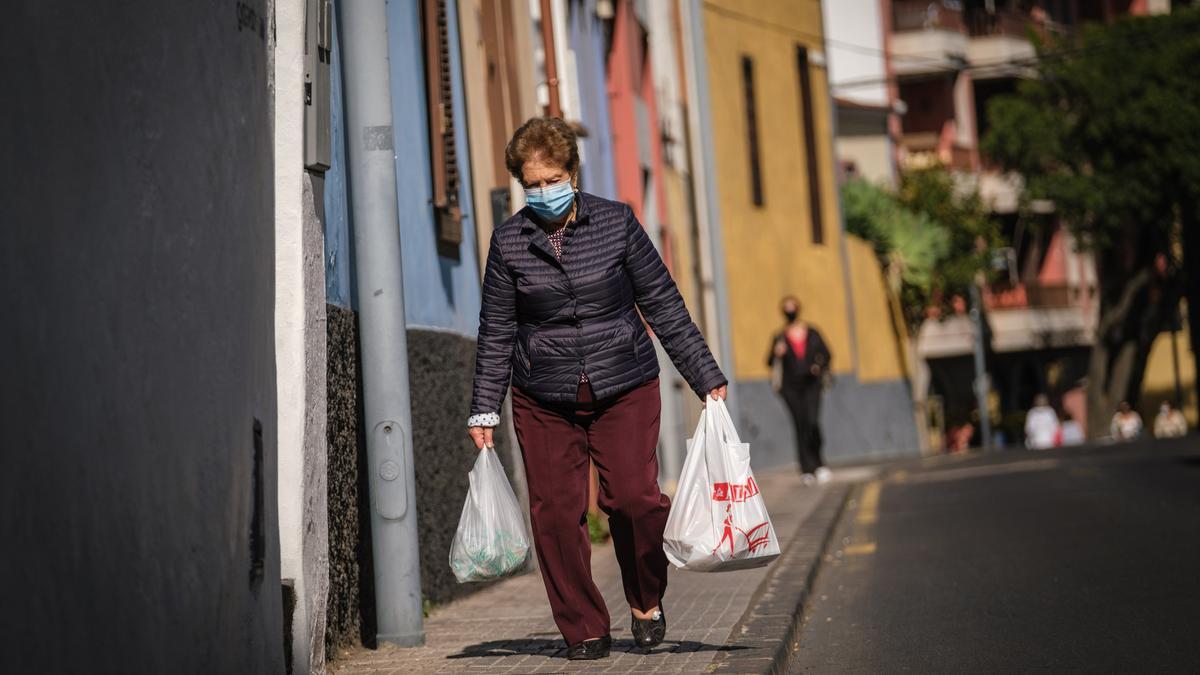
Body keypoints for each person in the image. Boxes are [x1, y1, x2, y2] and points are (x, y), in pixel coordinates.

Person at [466, 117, 727, 661]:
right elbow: (496, 329)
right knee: (556, 514)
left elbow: (663, 303)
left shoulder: (617, 223)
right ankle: (583, 626)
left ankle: (645, 600)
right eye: (531, 183)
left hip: (624, 382)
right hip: (543, 394)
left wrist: (705, 377)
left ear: (573, 172)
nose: (542, 192)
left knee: (634, 499)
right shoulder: (510, 242)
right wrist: (483, 409)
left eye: (552, 178)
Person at [767, 297, 831, 485]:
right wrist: (776, 353)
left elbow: (827, 354)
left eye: (792, 307)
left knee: (812, 422)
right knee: (799, 424)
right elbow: (769, 361)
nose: (790, 310)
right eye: (786, 308)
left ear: (798, 309)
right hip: (790, 388)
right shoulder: (779, 336)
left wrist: (818, 365)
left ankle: (819, 462)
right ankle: (807, 468)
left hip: (812, 384)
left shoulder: (812, 332)